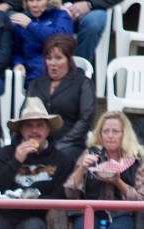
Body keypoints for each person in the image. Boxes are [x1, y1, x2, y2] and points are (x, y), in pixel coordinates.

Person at [64, 110, 144, 229]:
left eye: (115, 131)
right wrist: (81, 169)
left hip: (123, 212)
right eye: (105, 131)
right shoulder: (91, 154)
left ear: (125, 134)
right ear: (99, 134)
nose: (110, 136)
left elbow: (140, 200)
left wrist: (117, 181)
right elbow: (69, 192)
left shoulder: (137, 158)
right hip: (91, 209)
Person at [0, 96, 72, 229]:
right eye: (29, 126)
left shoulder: (61, 159)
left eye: (39, 126)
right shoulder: (6, 153)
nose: (34, 131)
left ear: (47, 130)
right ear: (22, 130)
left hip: (33, 216)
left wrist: (36, 200)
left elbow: (60, 195)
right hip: (3, 214)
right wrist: (16, 161)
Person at [25, 34, 95, 163]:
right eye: (49, 58)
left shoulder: (82, 83)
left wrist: (60, 144)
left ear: (69, 60)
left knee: (59, 159)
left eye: (58, 58)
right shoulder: (36, 84)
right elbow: (24, 115)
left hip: (69, 144)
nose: (53, 63)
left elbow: (85, 120)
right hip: (36, 141)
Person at [11, 0, 73, 88]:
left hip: (58, 71)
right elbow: (16, 51)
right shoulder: (22, 21)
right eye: (31, 1)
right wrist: (18, 63)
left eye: (39, 0)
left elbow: (62, 41)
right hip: (31, 72)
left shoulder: (60, 15)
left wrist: (31, 26)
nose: (34, 5)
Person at [63, 0, 123, 65]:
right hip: (62, 6)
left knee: (93, 24)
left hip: (95, 7)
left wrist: (90, 4)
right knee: (57, 19)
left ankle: (79, 68)